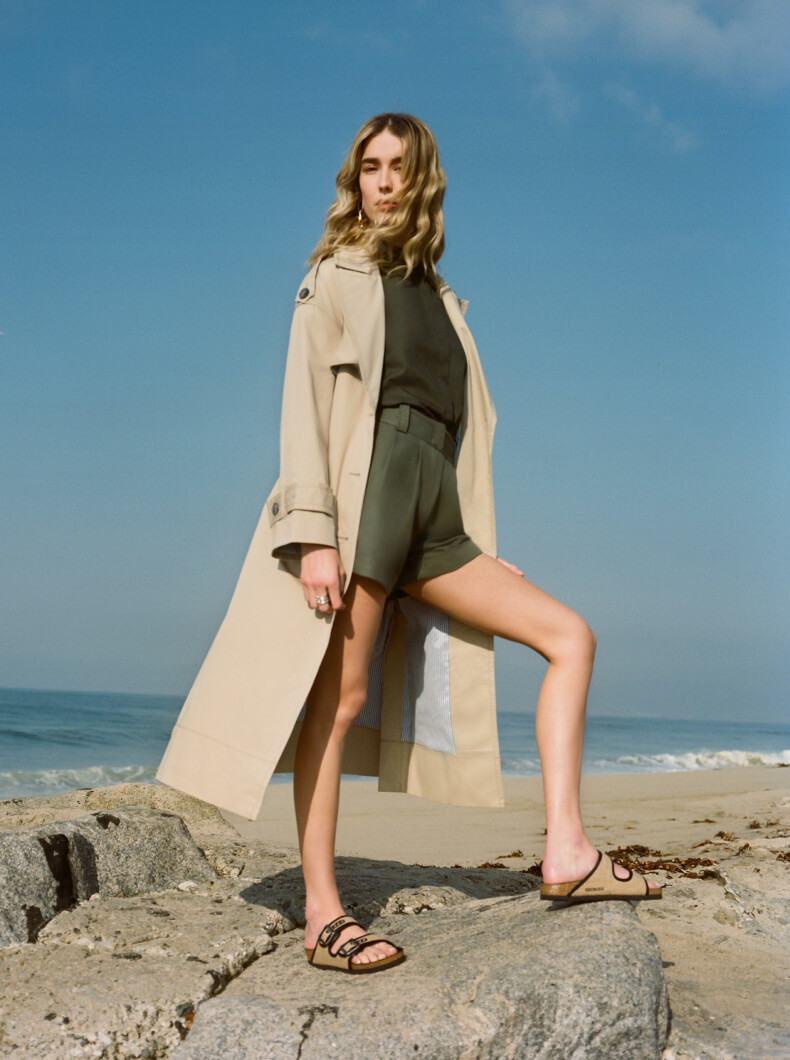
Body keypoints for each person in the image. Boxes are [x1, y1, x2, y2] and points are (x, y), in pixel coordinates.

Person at [156, 112, 660, 977]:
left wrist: (478, 543)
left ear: (423, 178)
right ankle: (323, 912)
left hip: (438, 524)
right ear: (355, 182)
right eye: (369, 167)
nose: (382, 182)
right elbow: (304, 413)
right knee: (340, 699)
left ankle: (568, 850)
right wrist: (314, 535)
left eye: (397, 166)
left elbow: (456, 438)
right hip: (366, 508)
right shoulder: (334, 278)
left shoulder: (445, 301)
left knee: (570, 638)